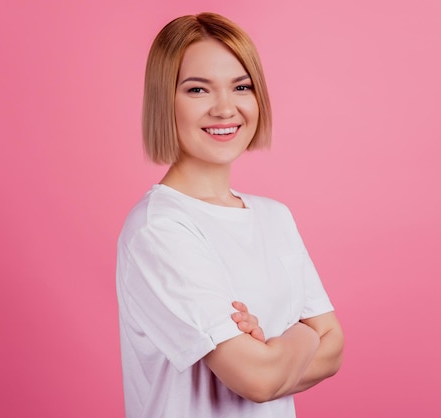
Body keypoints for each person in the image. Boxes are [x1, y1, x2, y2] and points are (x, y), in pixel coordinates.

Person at [116, 12, 344, 418]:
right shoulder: (160, 229)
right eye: (198, 89)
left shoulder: (275, 217)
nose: (225, 108)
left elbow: (336, 349)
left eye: (241, 86)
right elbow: (258, 379)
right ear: (163, 99)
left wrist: (278, 349)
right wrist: (303, 333)